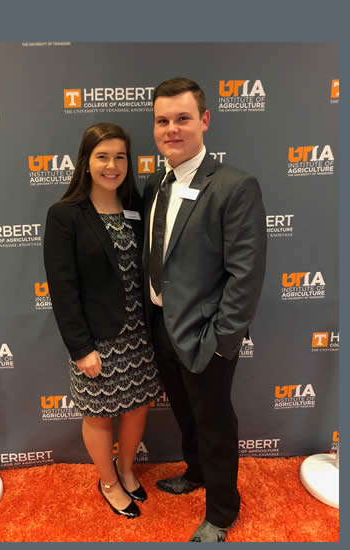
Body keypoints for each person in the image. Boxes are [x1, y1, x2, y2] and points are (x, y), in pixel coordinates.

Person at [143, 77, 267, 542]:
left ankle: (222, 512)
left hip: (207, 336)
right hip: (161, 325)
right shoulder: (155, 181)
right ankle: (194, 473)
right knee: (185, 412)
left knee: (214, 422)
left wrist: (223, 343)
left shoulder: (235, 186)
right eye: (162, 120)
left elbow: (246, 274)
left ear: (205, 121)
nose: (171, 129)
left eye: (182, 119)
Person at [43, 122, 161, 520]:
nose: (112, 165)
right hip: (97, 340)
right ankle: (108, 482)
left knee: (137, 408)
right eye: (102, 156)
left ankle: (127, 471)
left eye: (120, 157)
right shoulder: (65, 215)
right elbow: (62, 289)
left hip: (140, 337)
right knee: (98, 415)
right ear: (86, 162)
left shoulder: (137, 207)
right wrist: (81, 349)